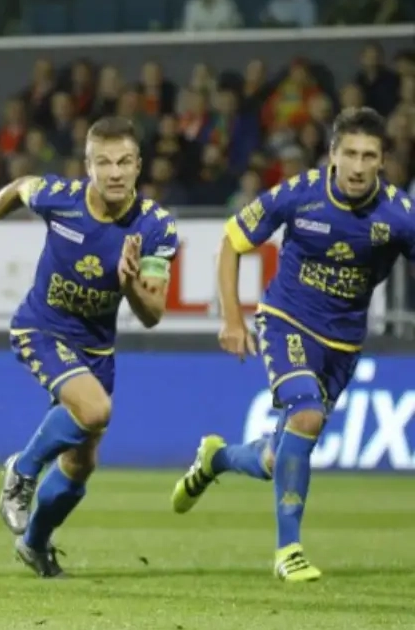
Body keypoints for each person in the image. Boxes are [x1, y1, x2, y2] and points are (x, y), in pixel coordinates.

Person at [170, 107, 414, 582]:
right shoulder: (300, 194)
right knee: (306, 413)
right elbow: (231, 240)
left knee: (274, 457)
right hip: (287, 321)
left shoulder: (400, 216)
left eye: (369, 156)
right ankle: (289, 551)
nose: (358, 166)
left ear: (383, 161)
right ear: (332, 154)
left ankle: (215, 458)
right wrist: (233, 318)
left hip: (343, 345)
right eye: (350, 154)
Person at [0, 116, 178, 578]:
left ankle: (34, 544)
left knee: (80, 463)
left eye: (124, 162)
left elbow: (153, 315)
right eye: (103, 162)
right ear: (88, 166)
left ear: (138, 165)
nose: (114, 173)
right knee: (95, 410)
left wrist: (130, 284)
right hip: (41, 328)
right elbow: (19, 188)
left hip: (97, 349)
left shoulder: (156, 228)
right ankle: (23, 469)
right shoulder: (62, 199)